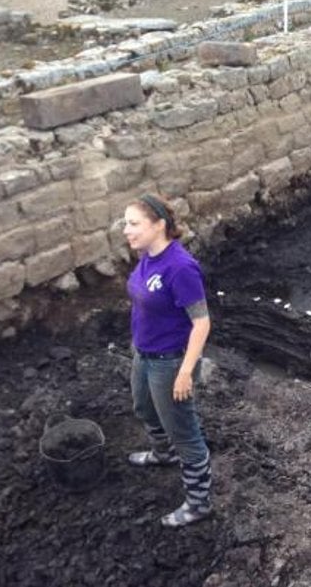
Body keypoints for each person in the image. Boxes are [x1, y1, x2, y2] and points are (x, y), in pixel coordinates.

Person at [123, 194, 213, 527]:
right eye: (126, 223)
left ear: (159, 225)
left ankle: (199, 502)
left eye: (134, 224)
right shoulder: (146, 255)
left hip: (171, 361)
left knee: (185, 432)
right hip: (144, 353)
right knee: (143, 408)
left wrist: (185, 372)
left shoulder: (180, 267)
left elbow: (202, 323)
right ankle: (163, 454)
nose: (126, 231)